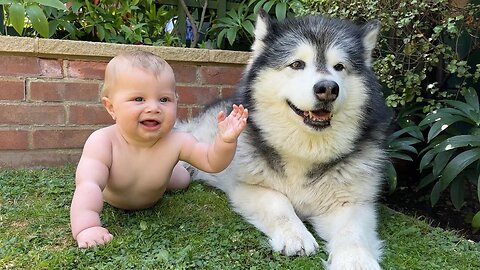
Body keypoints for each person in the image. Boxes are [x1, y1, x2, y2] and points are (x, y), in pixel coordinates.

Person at [70, 50, 248, 248]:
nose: (154, 108)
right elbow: (89, 185)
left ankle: (172, 174)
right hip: (117, 195)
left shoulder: (177, 141)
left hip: (158, 184)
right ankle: (171, 174)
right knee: (92, 182)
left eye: (164, 99)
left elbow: (210, 161)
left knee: (183, 180)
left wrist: (225, 141)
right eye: (139, 99)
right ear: (111, 107)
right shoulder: (102, 142)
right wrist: (87, 226)